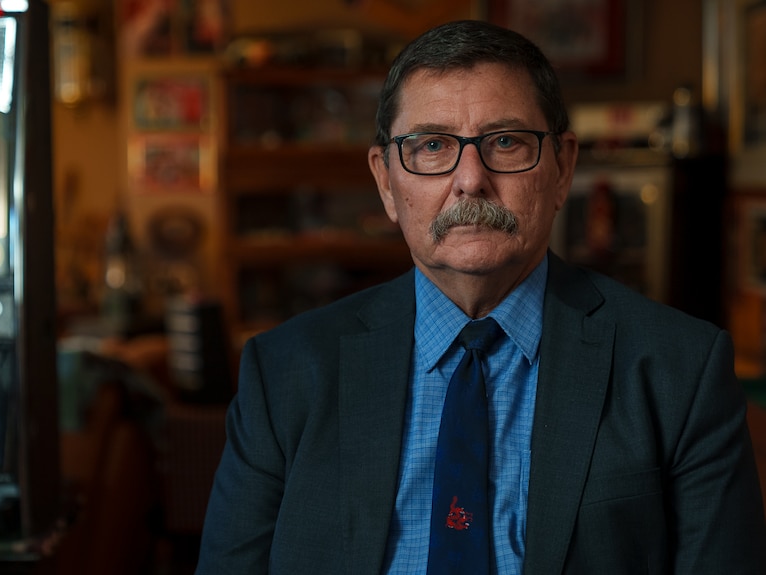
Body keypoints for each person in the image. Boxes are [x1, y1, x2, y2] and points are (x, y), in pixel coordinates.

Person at [196, 19, 766, 574]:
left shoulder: (681, 372)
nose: (470, 178)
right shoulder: (284, 373)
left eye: (507, 142)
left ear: (563, 167)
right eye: (432, 146)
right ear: (385, 181)